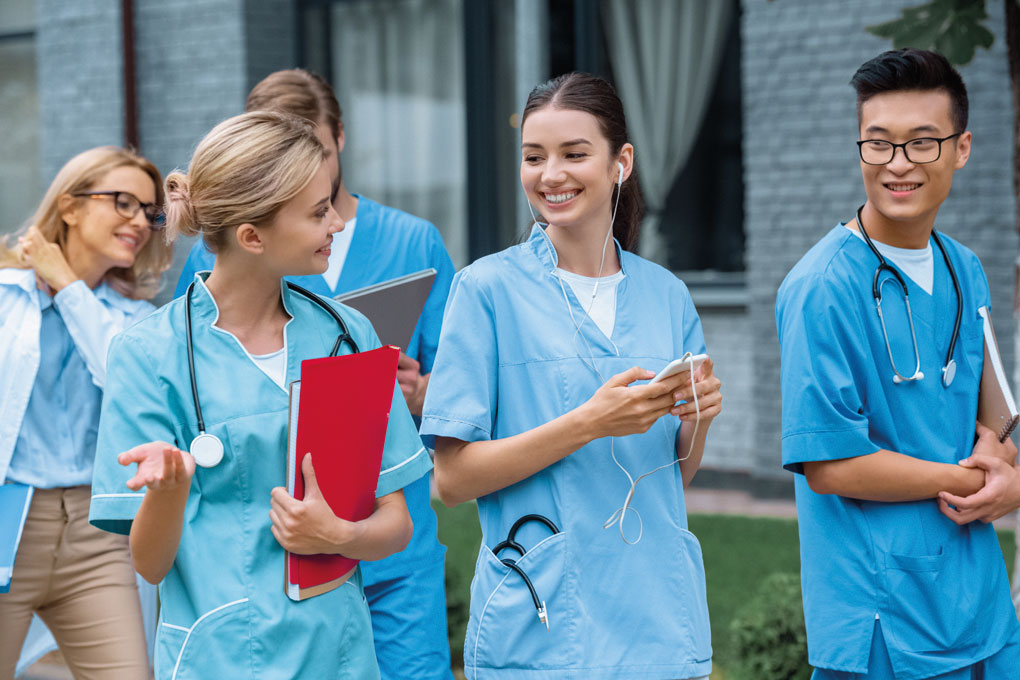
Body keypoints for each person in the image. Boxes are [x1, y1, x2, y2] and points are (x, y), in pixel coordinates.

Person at [88, 111, 432, 679]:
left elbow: (396, 523)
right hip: (221, 658)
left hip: (340, 656)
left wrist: (340, 535)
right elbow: (150, 565)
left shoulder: (349, 336)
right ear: (252, 236)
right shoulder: (150, 354)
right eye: (319, 212)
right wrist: (171, 490)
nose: (337, 225)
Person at [420, 72, 722, 680]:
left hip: (658, 619)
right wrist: (588, 423)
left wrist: (699, 421)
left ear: (622, 162)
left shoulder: (667, 294)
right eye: (534, 157)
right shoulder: (486, 291)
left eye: (574, 154)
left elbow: (673, 475)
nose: (550, 174)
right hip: (546, 625)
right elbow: (450, 481)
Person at [173, 70, 454, 679]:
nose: (311, 182)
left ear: (341, 138)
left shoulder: (414, 241)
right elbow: (191, 382)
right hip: (279, 560)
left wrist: (417, 392)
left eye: (317, 154)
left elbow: (462, 393)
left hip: (391, 542)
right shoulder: (217, 260)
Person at [776, 48, 1020, 679]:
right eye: (878, 144)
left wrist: (1008, 468)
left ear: (961, 148)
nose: (898, 164)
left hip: (981, 610)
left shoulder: (964, 269)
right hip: (885, 623)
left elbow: (995, 421)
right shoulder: (822, 288)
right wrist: (978, 483)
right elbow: (830, 465)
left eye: (922, 142)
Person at [0, 146, 173, 679]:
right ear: (70, 207)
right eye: (122, 202)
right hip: (9, 524)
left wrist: (71, 288)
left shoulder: (138, 320)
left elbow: (126, 381)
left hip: (96, 536)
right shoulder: (5, 297)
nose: (139, 221)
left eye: (149, 210)